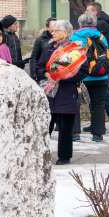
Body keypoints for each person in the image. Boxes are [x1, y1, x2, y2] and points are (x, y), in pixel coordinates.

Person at [33, 20, 84, 166]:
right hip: (49, 92)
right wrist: (46, 75)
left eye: (56, 30)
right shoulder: (49, 47)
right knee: (44, 125)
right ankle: (40, 154)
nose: (52, 33)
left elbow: (83, 70)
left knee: (65, 127)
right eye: (52, 30)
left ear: (66, 32)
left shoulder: (75, 49)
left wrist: (64, 77)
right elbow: (40, 66)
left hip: (66, 92)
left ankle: (64, 156)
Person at [71, 13, 109, 143]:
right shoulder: (101, 36)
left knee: (74, 104)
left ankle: (75, 133)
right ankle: (98, 134)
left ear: (80, 24)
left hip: (82, 76)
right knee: (98, 105)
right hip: (101, 75)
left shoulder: (76, 36)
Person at [86, 2, 109, 134]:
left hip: (100, 65)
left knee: (104, 95)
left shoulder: (100, 24)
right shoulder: (102, 23)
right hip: (102, 63)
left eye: (88, 11)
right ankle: (96, 123)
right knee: (97, 95)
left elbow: (101, 45)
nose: (86, 13)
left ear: (95, 12)